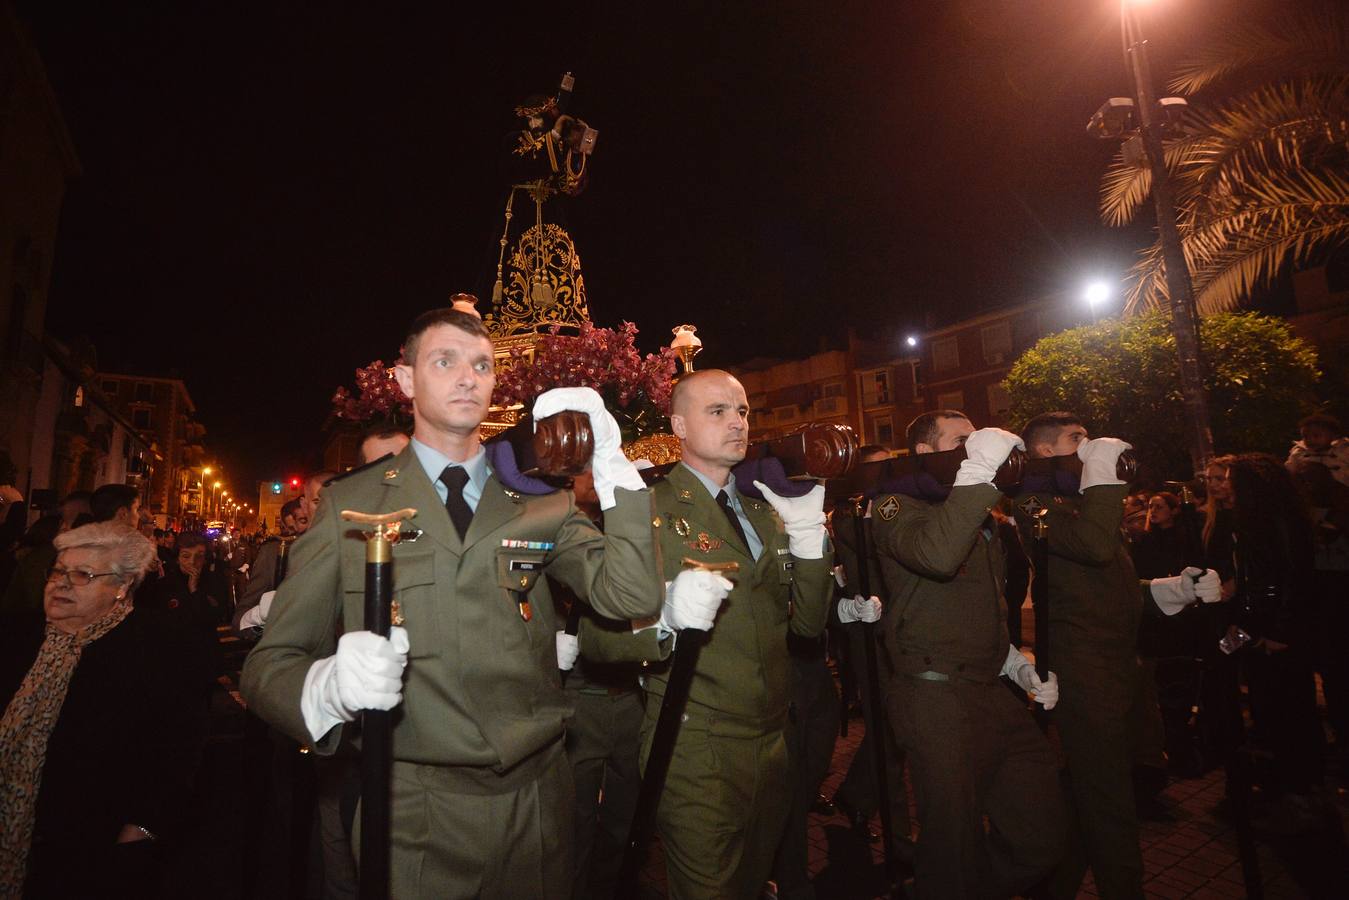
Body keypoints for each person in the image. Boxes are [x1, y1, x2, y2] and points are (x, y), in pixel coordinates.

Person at [241, 307, 664, 899]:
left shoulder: (537, 503)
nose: (468, 377)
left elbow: (630, 594)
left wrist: (614, 470)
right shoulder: (351, 504)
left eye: (482, 365)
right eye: (445, 361)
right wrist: (324, 688)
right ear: (406, 379)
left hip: (538, 797)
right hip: (414, 807)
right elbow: (267, 663)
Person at [581, 368, 834, 898]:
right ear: (679, 425)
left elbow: (808, 627)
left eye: (741, 410)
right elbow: (597, 638)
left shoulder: (768, 514)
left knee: (750, 883)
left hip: (771, 741)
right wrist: (663, 619)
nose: (736, 423)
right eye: (716, 411)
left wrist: (810, 537)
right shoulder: (648, 509)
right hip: (696, 741)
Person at [1018, 412, 1219, 900]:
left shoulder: (1078, 499)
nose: (1087, 447)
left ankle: (1050, 884)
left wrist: (1173, 589)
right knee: (1109, 798)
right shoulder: (1033, 502)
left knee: (1090, 787)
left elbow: (1112, 583)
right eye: (1077, 440)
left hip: (1119, 659)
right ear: (1046, 451)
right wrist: (1102, 477)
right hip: (1083, 664)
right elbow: (1092, 548)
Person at [867, 409, 1064, 899]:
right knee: (951, 845)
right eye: (961, 442)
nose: (973, 450)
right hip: (934, 694)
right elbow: (937, 555)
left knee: (1041, 831)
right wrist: (975, 476)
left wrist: (1013, 662)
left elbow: (981, 607)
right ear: (925, 453)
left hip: (989, 689)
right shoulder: (894, 505)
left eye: (977, 442)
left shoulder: (978, 515)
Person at [0, 522, 212, 897]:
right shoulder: (17, 636)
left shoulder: (160, 646)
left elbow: (180, 749)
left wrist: (144, 828)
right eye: (59, 571)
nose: (61, 584)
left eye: (82, 575)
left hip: (93, 847)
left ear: (122, 586)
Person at [1202, 453, 1328, 832]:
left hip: (1277, 634)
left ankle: (1300, 790)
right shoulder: (1244, 522)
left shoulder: (1281, 522)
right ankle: (1272, 786)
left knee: (1291, 709)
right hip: (1252, 627)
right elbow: (1250, 575)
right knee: (1264, 705)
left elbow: (1292, 580)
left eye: (1228, 479)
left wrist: (1279, 632)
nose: (1221, 485)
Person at [551, 469, 645, 900]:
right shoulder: (548, 527)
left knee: (625, 819)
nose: (594, 475)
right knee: (574, 821)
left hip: (627, 695)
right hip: (577, 697)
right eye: (584, 468)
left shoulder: (618, 529)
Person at [1285, 412, 1349, 487]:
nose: (1310, 440)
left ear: (1333, 436)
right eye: (1305, 436)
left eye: (1316, 436)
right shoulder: (1299, 452)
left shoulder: (1344, 450)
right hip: (1307, 491)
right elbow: (1289, 471)